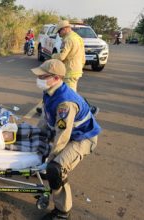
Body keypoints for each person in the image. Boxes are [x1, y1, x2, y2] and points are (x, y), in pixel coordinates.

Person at [31, 59, 101, 219]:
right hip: (69, 133)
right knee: (39, 142)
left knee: (55, 169)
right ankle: (44, 170)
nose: (39, 79)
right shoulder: (50, 92)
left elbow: (62, 136)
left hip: (83, 139)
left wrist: (50, 159)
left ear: (56, 78)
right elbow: (46, 117)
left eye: (42, 76)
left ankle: (63, 212)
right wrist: (36, 136)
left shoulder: (65, 103)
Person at [51, 20, 99, 116]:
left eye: (59, 31)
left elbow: (61, 57)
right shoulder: (77, 37)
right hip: (76, 69)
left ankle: (89, 109)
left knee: (71, 95)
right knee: (63, 91)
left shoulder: (68, 39)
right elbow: (83, 56)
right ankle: (51, 107)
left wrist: (53, 56)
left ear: (64, 29)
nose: (59, 34)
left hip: (70, 71)